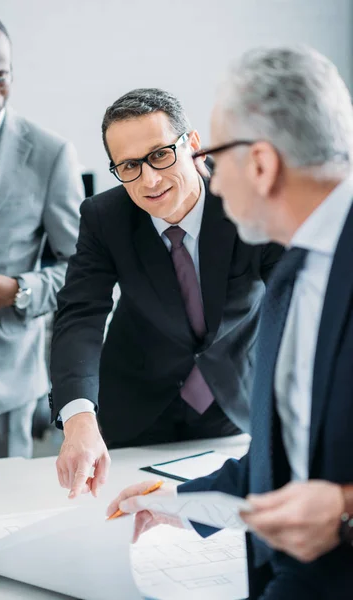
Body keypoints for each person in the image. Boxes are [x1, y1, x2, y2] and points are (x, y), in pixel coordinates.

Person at [108, 46, 353, 599]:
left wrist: (345, 510)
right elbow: (289, 455)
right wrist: (179, 502)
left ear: (261, 164)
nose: (209, 181)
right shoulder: (294, 270)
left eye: (213, 155)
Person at [50, 87, 283, 498]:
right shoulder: (105, 217)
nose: (149, 180)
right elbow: (80, 314)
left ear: (193, 145)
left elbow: (295, 301)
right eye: (129, 166)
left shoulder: (249, 201)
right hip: (134, 405)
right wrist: (79, 418)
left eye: (160, 154)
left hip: (233, 399)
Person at [0, 9, 83, 462]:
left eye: (0, 77)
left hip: (6, 373)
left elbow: (82, 269)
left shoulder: (50, 153)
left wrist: (16, 290)